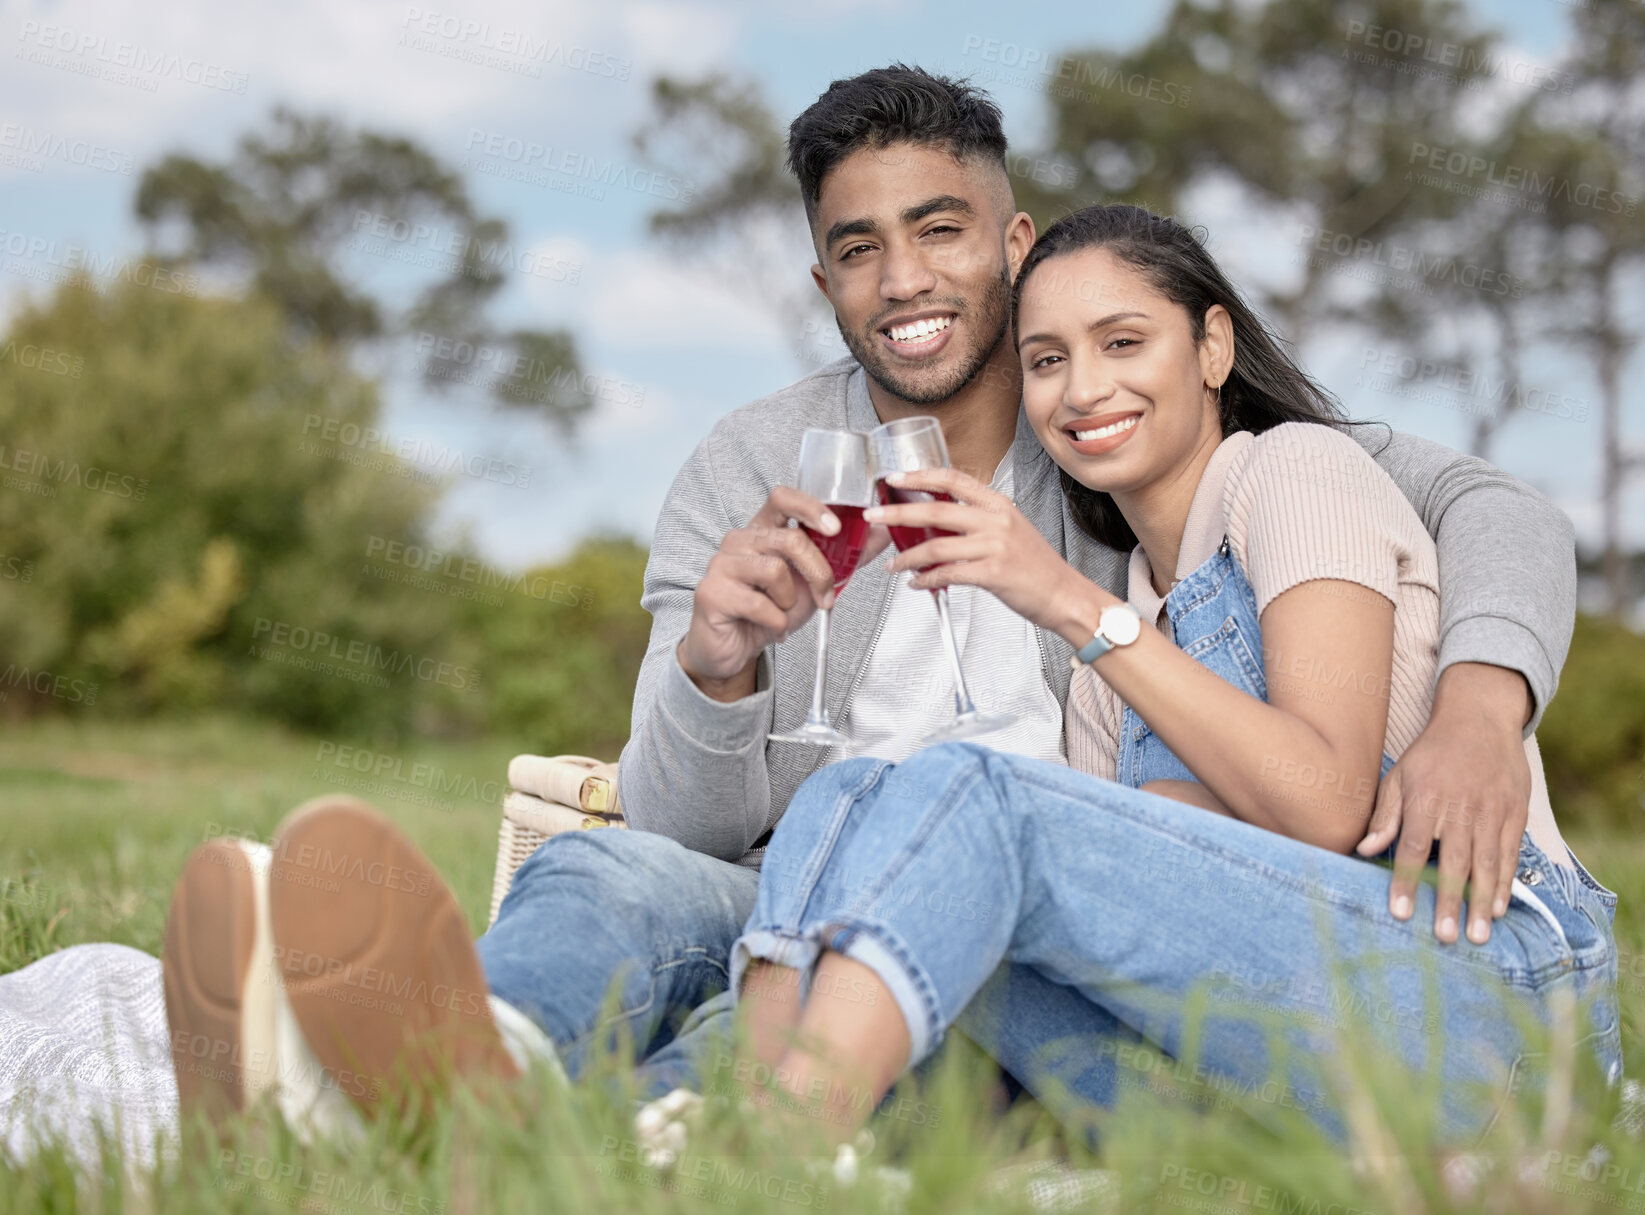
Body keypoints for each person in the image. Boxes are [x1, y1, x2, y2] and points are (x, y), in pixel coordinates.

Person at [157, 66, 1581, 1126]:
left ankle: (592, 1128)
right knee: (612, 869)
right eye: (857, 248)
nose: (903, 279)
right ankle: (465, 1077)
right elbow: (674, 818)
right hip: (809, 876)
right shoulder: (754, 465)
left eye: (941, 229)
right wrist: (715, 666)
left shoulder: (1126, 436)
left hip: (1055, 909)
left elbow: (1477, 508)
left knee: (918, 861)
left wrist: (1480, 692)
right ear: (824, 276)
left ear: (1013, 241)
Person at [724, 202, 1619, 1143]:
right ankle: (744, 1126)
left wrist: (1063, 599)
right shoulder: (1117, 652)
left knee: (972, 792)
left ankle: (780, 1157)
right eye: (1046, 360)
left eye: (1122, 341)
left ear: (1211, 348)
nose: (1082, 390)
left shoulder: (1291, 473)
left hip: (1486, 996)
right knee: (856, 797)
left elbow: (1325, 804)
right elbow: (1170, 883)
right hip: (1280, 1045)